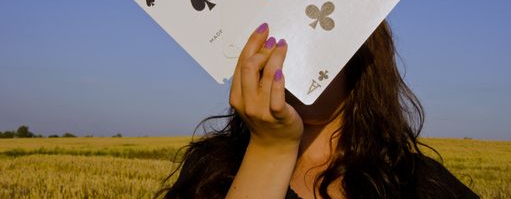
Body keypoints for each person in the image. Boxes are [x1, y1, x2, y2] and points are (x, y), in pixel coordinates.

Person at [158, 20, 480, 198]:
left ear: (360, 61)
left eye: (308, 45)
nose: (283, 63)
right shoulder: (211, 170)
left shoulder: (418, 183)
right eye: (275, 46)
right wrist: (269, 149)